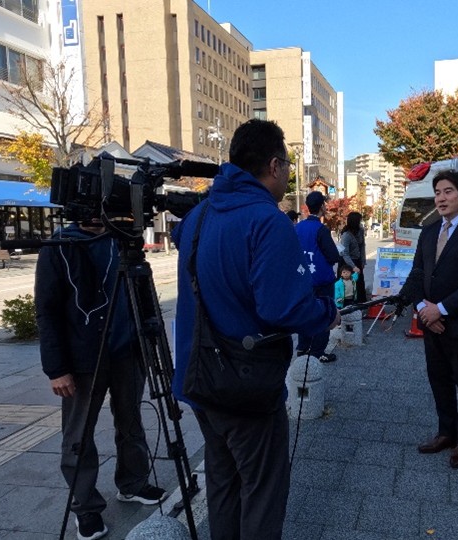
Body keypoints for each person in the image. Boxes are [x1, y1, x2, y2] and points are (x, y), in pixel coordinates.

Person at [172, 119, 339, 540]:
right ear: (274, 165)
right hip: (244, 385)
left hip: (198, 377)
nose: (287, 175)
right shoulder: (267, 220)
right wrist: (325, 313)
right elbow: (283, 308)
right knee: (262, 490)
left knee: (223, 483)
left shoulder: (198, 215)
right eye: (287, 166)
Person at [35, 219, 166, 540]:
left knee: (131, 422)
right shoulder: (61, 245)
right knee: (78, 435)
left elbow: (144, 295)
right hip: (82, 360)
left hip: (127, 352)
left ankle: (133, 483)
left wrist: (150, 345)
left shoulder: (122, 240)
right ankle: (85, 507)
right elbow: (47, 310)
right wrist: (56, 369)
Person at [401, 170, 458, 469]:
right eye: (437, 192)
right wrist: (422, 308)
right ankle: (446, 432)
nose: (440, 198)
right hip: (432, 325)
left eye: (448, 191)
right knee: (439, 380)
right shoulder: (429, 231)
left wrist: (440, 309)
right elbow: (416, 275)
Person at [295, 190, 341, 363]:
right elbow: (333, 256)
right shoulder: (321, 229)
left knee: (305, 313)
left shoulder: (297, 227)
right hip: (321, 280)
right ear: (322, 206)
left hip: (303, 279)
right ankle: (318, 352)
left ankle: (302, 347)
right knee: (323, 314)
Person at [340, 211, 367, 302]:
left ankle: (361, 304)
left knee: (359, 284)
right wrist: (353, 267)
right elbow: (345, 253)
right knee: (349, 286)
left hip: (357, 260)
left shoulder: (360, 230)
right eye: (359, 221)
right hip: (347, 262)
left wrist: (363, 261)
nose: (360, 223)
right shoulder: (346, 235)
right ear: (354, 222)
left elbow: (362, 246)